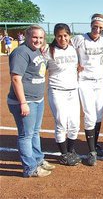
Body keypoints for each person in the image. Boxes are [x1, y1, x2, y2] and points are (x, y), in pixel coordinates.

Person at [7, 25, 56, 177]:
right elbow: (15, 78)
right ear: (27, 36)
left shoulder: (37, 51)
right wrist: (23, 102)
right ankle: (30, 168)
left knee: (35, 132)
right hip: (25, 101)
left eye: (41, 38)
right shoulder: (21, 52)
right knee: (26, 135)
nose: (38, 40)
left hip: (37, 99)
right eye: (35, 37)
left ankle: (38, 160)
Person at [71, 13, 103, 166]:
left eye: (100, 27)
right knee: (90, 115)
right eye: (95, 26)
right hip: (85, 81)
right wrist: (75, 65)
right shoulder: (80, 39)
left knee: (99, 115)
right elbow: (64, 47)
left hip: (101, 82)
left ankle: (95, 144)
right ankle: (92, 151)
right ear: (91, 25)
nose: (97, 29)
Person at [46, 23, 82, 166]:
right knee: (61, 122)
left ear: (69, 36)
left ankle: (70, 150)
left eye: (65, 35)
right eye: (59, 36)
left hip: (73, 90)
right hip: (57, 91)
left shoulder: (74, 49)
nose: (62, 38)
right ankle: (63, 154)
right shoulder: (49, 51)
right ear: (55, 36)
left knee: (75, 124)